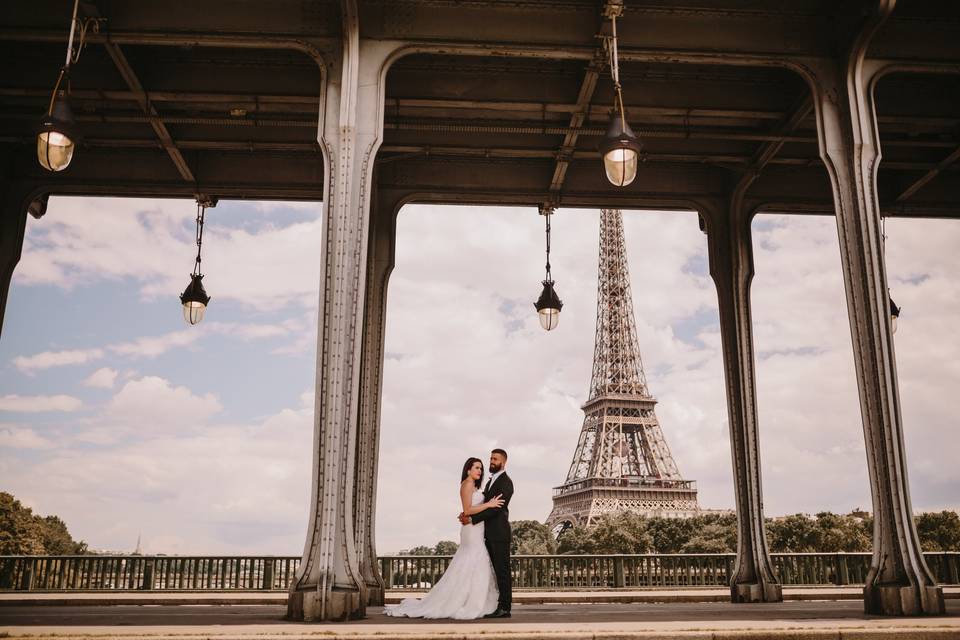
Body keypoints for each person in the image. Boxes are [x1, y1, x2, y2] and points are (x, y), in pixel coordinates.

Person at [384, 457, 504, 619]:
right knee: (473, 562)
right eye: (476, 467)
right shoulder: (467, 484)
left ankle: (471, 601)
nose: (479, 471)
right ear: (468, 470)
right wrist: (489, 504)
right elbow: (467, 510)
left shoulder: (473, 486)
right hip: (471, 530)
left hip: (476, 529)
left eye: (481, 468)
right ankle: (469, 602)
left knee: (474, 564)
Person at [459, 448, 513, 618]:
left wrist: (472, 519)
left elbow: (496, 510)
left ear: (503, 462)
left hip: (499, 534)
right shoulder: (490, 482)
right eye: (490, 458)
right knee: (494, 571)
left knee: (502, 571)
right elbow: (479, 505)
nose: (491, 461)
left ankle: (505, 607)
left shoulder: (506, 482)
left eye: (495, 459)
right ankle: (492, 604)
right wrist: (468, 514)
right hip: (487, 534)